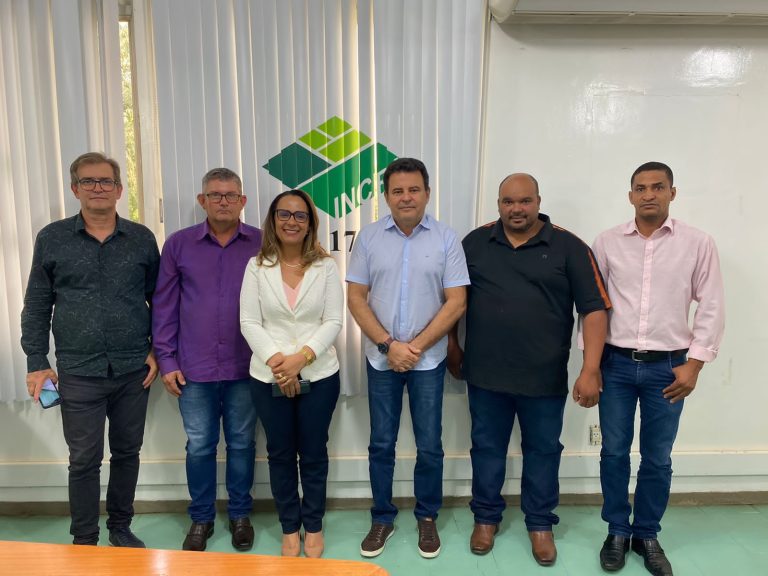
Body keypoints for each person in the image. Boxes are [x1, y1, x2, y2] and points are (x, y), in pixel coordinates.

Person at [448, 173, 610, 566]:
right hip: (485, 374)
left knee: (543, 451)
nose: (516, 209)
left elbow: (594, 310)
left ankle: (540, 524)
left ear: (538, 201)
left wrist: (591, 368)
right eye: (508, 201)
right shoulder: (475, 243)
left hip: (544, 377)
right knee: (487, 449)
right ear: (498, 204)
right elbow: (452, 299)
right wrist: (453, 345)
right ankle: (485, 518)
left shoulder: (570, 247)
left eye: (525, 201)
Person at [21, 152, 160, 547]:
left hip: (133, 369)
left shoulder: (141, 239)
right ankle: (84, 537)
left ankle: (120, 527)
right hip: (78, 370)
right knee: (83, 459)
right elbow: (37, 305)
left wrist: (158, 350)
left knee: (127, 452)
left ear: (119, 189)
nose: (97, 188)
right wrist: (36, 361)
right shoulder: (52, 238)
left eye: (105, 181)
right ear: (74, 188)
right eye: (88, 181)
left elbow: (160, 300)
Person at [594, 162, 724, 576]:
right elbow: (594, 308)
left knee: (657, 457)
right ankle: (617, 531)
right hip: (615, 364)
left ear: (672, 192)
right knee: (614, 452)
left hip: (669, 369)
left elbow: (712, 304)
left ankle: (647, 533)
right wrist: (591, 366)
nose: (648, 194)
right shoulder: (607, 242)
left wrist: (695, 364)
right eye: (640, 188)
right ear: (630, 195)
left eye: (657, 187)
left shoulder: (697, 243)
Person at [347, 157, 469, 559]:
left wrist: (413, 347)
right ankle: (382, 517)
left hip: (428, 361)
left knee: (430, 444)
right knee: (381, 443)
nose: (406, 197)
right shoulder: (368, 238)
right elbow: (356, 298)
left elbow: (457, 302)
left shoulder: (446, 239)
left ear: (427, 193)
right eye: (397, 190)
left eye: (414, 189)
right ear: (386, 196)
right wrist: (389, 345)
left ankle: (427, 516)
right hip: (381, 359)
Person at [152, 168, 262, 552]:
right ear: (202, 201)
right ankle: (201, 518)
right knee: (199, 446)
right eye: (215, 195)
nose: (223, 201)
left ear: (242, 201)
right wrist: (166, 360)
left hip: (247, 366)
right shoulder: (178, 245)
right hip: (194, 368)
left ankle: (240, 515)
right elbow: (164, 306)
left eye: (231, 195)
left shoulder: (263, 243)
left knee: (242, 443)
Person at [240, 189, 343, 558]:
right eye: (284, 214)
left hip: (320, 375)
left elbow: (333, 320)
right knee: (281, 454)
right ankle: (289, 527)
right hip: (268, 377)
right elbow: (249, 322)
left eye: (301, 216)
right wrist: (279, 363)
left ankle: (312, 525)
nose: (292, 221)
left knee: (313, 453)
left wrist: (302, 358)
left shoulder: (325, 266)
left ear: (311, 224)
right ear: (273, 220)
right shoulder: (257, 266)